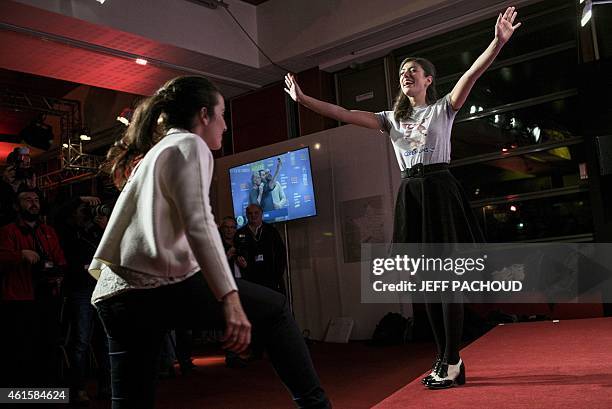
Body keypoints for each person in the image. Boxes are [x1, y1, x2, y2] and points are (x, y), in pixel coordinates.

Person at [285, 7, 521, 389]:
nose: (405, 74)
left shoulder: (444, 108)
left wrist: (498, 41)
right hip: (411, 193)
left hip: (440, 191)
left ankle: (453, 359)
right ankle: (443, 358)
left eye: (413, 70)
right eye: (401, 72)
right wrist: (304, 100)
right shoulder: (389, 119)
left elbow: (472, 73)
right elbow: (343, 113)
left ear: (428, 79)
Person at [88, 76, 330, 408]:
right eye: (222, 114)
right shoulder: (190, 144)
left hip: (114, 296)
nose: (226, 126)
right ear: (204, 115)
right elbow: (199, 223)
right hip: (152, 288)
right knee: (276, 310)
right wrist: (230, 299)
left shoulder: (155, 152)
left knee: (131, 402)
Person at [0, 187, 66, 386]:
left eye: (36, 199)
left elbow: (60, 259)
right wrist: (20, 255)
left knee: (46, 349)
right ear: (16, 205)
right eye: (27, 199)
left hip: (47, 298)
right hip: (19, 300)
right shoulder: (7, 231)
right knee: (20, 352)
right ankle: (18, 398)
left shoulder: (48, 231)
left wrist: (59, 274)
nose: (33, 202)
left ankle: (45, 396)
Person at [235, 204, 287, 294]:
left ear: (261, 213)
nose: (253, 215)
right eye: (250, 213)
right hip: (250, 279)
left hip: (272, 279)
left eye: (256, 213)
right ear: (246, 215)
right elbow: (237, 253)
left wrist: (278, 274)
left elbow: (281, 253)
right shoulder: (240, 233)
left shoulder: (272, 231)